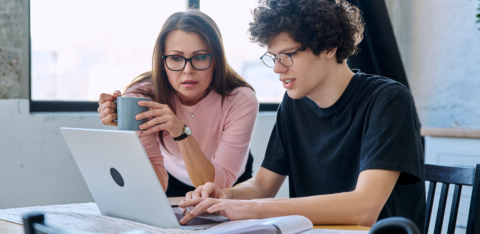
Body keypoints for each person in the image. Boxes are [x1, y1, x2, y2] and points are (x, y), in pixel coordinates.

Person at [179, 0, 426, 229]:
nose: (277, 68)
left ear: (330, 47)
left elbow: (364, 208)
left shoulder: (388, 99)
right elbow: (264, 184)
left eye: (288, 55)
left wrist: (252, 209)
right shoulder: (294, 104)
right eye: (274, 57)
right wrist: (226, 196)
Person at [96, 10, 259, 197]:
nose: (188, 70)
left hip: (227, 179)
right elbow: (153, 187)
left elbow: (217, 185)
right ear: (162, 61)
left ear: (217, 60)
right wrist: (129, 130)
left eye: (200, 57)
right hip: (171, 177)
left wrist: (181, 132)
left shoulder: (240, 99)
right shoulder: (142, 96)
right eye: (176, 58)